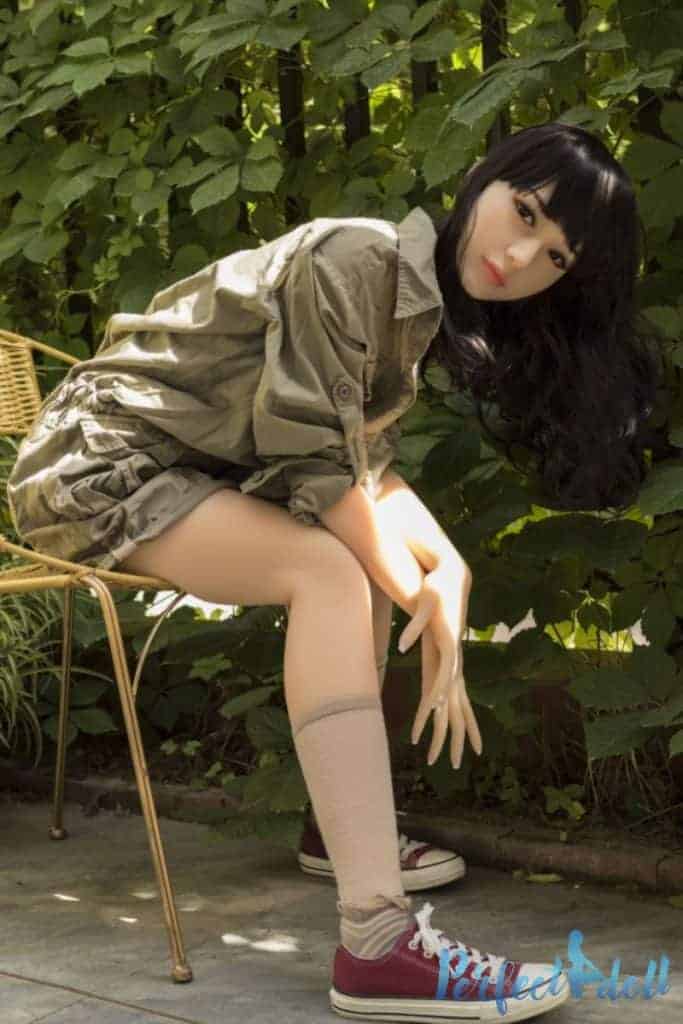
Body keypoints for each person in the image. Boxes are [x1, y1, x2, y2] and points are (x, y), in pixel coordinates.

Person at [6, 121, 660, 1021]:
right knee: (331, 571)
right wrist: (415, 589)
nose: (518, 257)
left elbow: (361, 466)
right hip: (98, 468)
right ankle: (377, 943)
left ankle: (343, 829)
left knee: (352, 560)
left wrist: (448, 569)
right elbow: (315, 467)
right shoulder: (359, 257)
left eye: (554, 256)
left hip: (183, 472)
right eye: (522, 213)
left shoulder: (411, 300)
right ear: (482, 178)